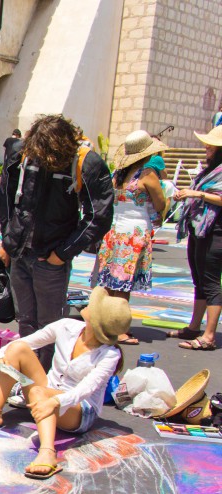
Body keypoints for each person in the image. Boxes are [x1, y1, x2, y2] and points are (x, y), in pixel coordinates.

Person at [0, 286, 129, 480]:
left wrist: (56, 401)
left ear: (96, 321)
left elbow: (87, 389)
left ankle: (47, 453)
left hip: (79, 410)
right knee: (17, 349)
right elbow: (29, 342)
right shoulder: (67, 326)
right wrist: (1, 359)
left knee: (41, 394)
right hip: (46, 392)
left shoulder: (110, 354)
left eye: (93, 306)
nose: (87, 305)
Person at [0, 114, 114, 365]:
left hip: (51, 255)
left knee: (50, 324)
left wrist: (63, 253)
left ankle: (46, 376)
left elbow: (99, 216)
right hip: (21, 251)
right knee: (26, 318)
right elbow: (6, 196)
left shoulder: (85, 163)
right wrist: (8, 239)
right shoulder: (22, 154)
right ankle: (28, 371)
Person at [91, 130, 168, 344]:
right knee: (124, 284)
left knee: (110, 281)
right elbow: (160, 203)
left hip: (115, 231)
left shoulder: (120, 173)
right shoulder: (146, 173)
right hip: (134, 232)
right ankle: (120, 329)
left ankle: (102, 322)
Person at [170, 125, 222, 351]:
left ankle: (209, 336)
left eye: (210, 144)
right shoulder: (210, 169)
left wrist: (197, 194)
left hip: (216, 232)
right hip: (199, 229)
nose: (206, 147)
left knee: (210, 282)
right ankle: (194, 327)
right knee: (199, 280)